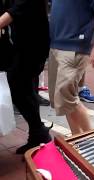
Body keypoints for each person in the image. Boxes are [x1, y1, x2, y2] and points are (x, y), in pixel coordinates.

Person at [48, 0, 94, 135]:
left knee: (66, 96)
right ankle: (78, 140)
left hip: (76, 44)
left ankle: (92, 141)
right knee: (63, 100)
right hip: (56, 44)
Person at [0, 0, 52, 154]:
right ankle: (37, 135)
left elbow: (17, 8)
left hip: (33, 45)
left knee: (18, 87)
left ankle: (40, 133)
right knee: (26, 89)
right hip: (20, 44)